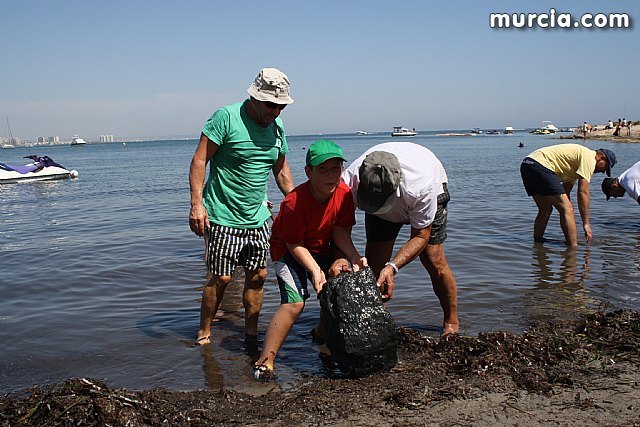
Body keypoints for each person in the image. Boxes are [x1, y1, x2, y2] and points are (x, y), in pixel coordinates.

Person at [189, 67, 295, 347]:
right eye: (271, 105)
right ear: (254, 98)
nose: (276, 111)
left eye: (281, 106)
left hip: (258, 217)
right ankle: (203, 332)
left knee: (259, 275)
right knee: (222, 277)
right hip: (222, 215)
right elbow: (200, 160)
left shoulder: (277, 127)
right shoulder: (225, 117)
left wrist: (297, 203)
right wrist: (197, 205)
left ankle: (250, 334)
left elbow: (281, 170)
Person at [252, 140, 367, 381]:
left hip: (320, 246)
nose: (330, 175)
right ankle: (265, 361)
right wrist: (315, 270)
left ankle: (321, 335)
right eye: (322, 169)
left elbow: (340, 233)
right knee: (295, 303)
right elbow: (294, 243)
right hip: (287, 249)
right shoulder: (294, 202)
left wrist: (355, 257)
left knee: (337, 285)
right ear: (308, 172)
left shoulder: (345, 194)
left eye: (336, 168)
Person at [337, 141, 459, 336]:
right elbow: (340, 228)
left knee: (433, 258)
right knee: (374, 262)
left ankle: (451, 321)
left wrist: (392, 267)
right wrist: (347, 257)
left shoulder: (422, 186)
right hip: (381, 196)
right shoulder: (349, 180)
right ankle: (378, 320)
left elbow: (421, 235)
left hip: (428, 192)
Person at [520, 143, 616, 246]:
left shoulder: (575, 166)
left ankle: (537, 244)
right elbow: (583, 192)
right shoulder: (590, 158)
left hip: (527, 164)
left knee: (545, 209)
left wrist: (568, 212)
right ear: (602, 158)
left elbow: (566, 192)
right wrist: (586, 224)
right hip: (541, 165)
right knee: (567, 209)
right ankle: (573, 250)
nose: (602, 172)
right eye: (605, 168)